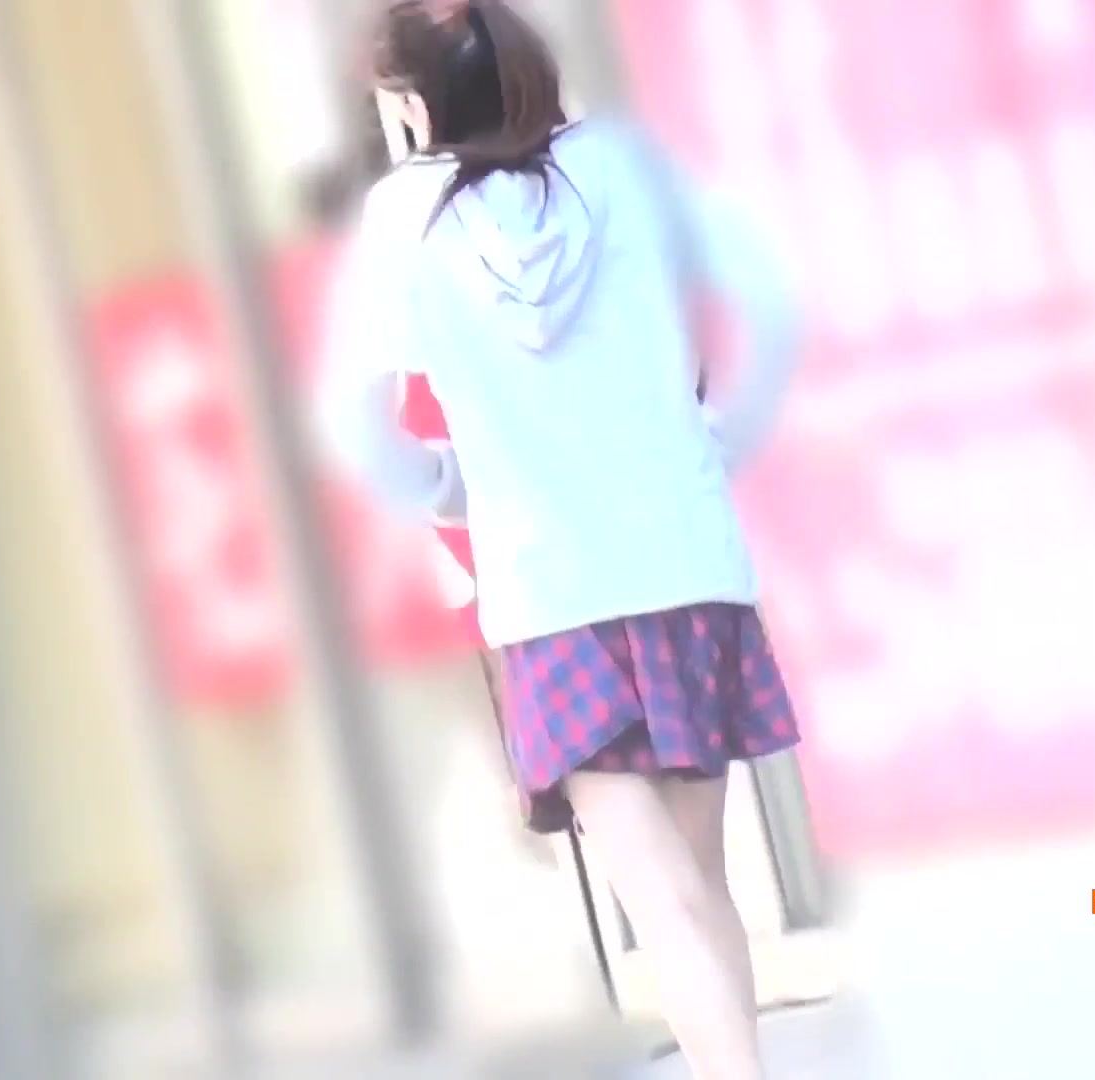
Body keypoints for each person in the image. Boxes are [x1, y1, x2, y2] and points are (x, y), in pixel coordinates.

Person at [317, 2, 802, 1076]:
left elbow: (348, 421)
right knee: (701, 885)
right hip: (685, 565)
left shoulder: (402, 220)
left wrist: (445, 488)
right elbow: (768, 296)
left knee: (662, 902)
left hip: (551, 594)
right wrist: (719, 440)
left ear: (415, 108)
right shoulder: (626, 167)